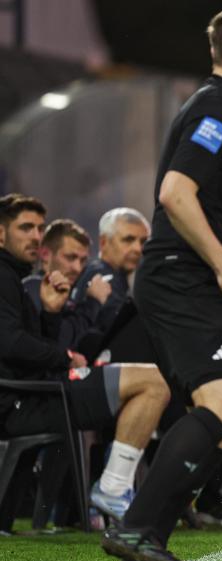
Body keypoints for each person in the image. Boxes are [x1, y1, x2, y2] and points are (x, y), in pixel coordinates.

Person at [100, 6, 222, 561]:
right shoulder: (218, 107)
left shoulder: (221, 109)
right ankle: (136, 529)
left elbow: (207, 203)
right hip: (181, 278)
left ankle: (146, 543)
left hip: (188, 277)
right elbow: (176, 193)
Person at [0, 194, 170, 526]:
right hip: (26, 400)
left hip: (36, 393)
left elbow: (28, 343)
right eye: (25, 228)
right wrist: (64, 357)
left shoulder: (14, 276)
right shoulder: (5, 276)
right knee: (153, 383)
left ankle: (112, 491)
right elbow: (9, 343)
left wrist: (49, 315)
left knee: (154, 382)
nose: (35, 235)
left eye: (38, 227)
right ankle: (113, 488)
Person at [22, 219, 113, 349]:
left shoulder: (71, 295)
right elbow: (61, 341)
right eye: (70, 257)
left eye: (82, 260)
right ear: (45, 254)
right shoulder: (33, 288)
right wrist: (93, 302)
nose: (77, 268)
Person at [71, 207, 150, 331]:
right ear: (103, 243)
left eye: (143, 241)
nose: (138, 249)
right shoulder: (103, 278)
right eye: (128, 240)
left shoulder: (102, 274)